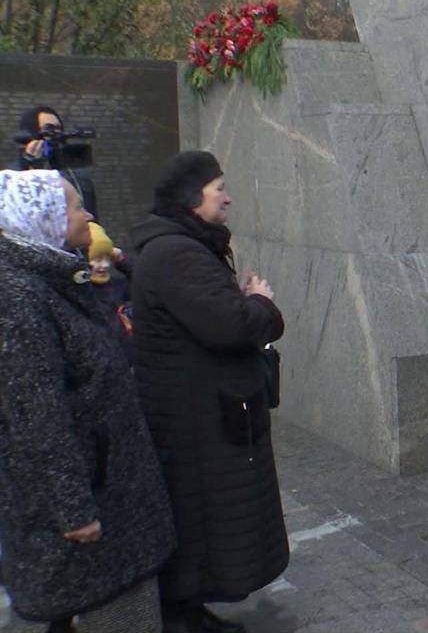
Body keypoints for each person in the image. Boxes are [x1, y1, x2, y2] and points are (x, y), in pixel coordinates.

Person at [0, 169, 175, 633]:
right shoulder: (19, 299)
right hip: (94, 500)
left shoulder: (52, 277)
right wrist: (73, 508)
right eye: (77, 206)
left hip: (106, 485)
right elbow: (35, 416)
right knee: (117, 611)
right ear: (45, 217)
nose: (88, 214)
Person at [130, 151, 287, 633]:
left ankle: (190, 611)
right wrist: (260, 303)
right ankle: (183, 617)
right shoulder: (178, 252)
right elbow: (230, 326)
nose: (228, 196)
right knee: (198, 517)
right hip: (196, 417)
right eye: (219, 187)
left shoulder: (178, 247)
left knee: (199, 516)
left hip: (197, 409)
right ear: (194, 196)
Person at [11, 106, 98, 218]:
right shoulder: (14, 177)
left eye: (58, 129)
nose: (56, 135)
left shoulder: (75, 173)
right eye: (49, 130)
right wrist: (32, 168)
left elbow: (91, 214)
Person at [86, 222, 134, 364]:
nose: (105, 265)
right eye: (98, 259)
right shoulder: (81, 292)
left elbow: (144, 280)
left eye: (107, 258)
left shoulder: (116, 285)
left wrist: (122, 260)